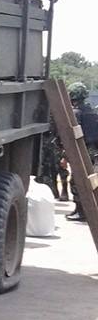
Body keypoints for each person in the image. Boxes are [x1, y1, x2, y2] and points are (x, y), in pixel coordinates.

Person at [67, 82, 97, 221]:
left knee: (77, 181)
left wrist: (65, 155)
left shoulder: (76, 113)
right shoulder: (92, 112)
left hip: (82, 150)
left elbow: (73, 136)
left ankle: (81, 211)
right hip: (93, 151)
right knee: (91, 181)